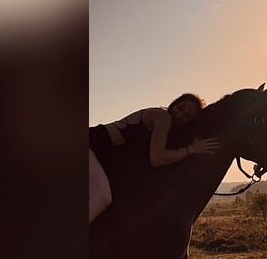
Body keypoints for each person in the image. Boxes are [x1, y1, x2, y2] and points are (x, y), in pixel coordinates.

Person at [89, 93, 219, 223]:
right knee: (102, 197)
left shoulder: (165, 126)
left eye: (186, 116)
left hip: (96, 152)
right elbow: (157, 158)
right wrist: (191, 149)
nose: (180, 115)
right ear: (175, 103)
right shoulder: (163, 117)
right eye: (180, 108)